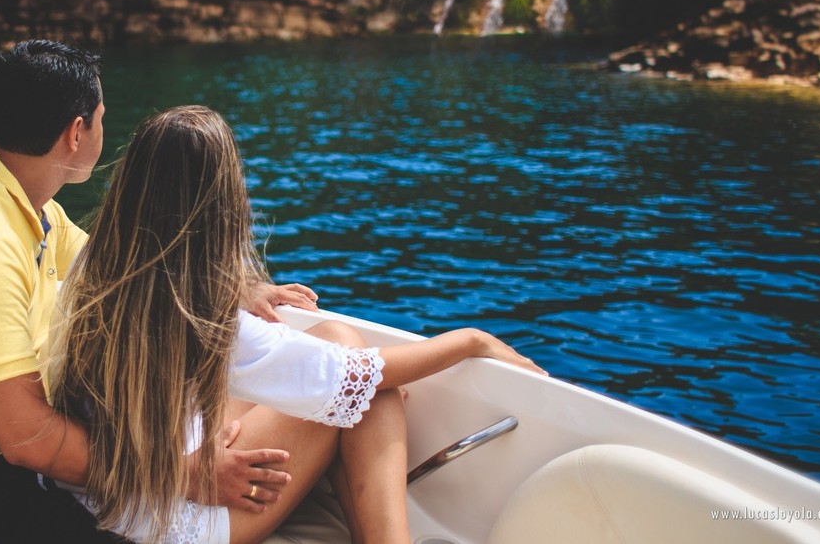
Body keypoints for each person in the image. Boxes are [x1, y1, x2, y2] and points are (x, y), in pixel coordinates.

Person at [0, 41, 316, 544]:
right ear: (77, 133)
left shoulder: (35, 211)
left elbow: (135, 272)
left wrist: (238, 289)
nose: (103, 131)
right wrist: (177, 474)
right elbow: (29, 436)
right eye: (99, 118)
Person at [49, 105, 545, 544]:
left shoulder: (97, 262)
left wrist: (240, 291)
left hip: (109, 497)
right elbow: (358, 376)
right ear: (218, 203)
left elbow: (169, 277)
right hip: (175, 523)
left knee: (338, 350)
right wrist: (469, 341)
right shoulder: (202, 321)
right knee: (369, 393)